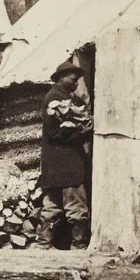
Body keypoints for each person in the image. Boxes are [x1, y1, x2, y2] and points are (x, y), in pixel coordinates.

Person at [37, 60, 93, 250]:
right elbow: (57, 133)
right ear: (61, 77)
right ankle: (79, 246)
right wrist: (84, 132)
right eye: (73, 79)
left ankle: (43, 244)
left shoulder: (60, 97)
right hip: (67, 165)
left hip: (53, 166)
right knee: (76, 207)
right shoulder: (55, 99)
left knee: (51, 207)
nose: (76, 82)